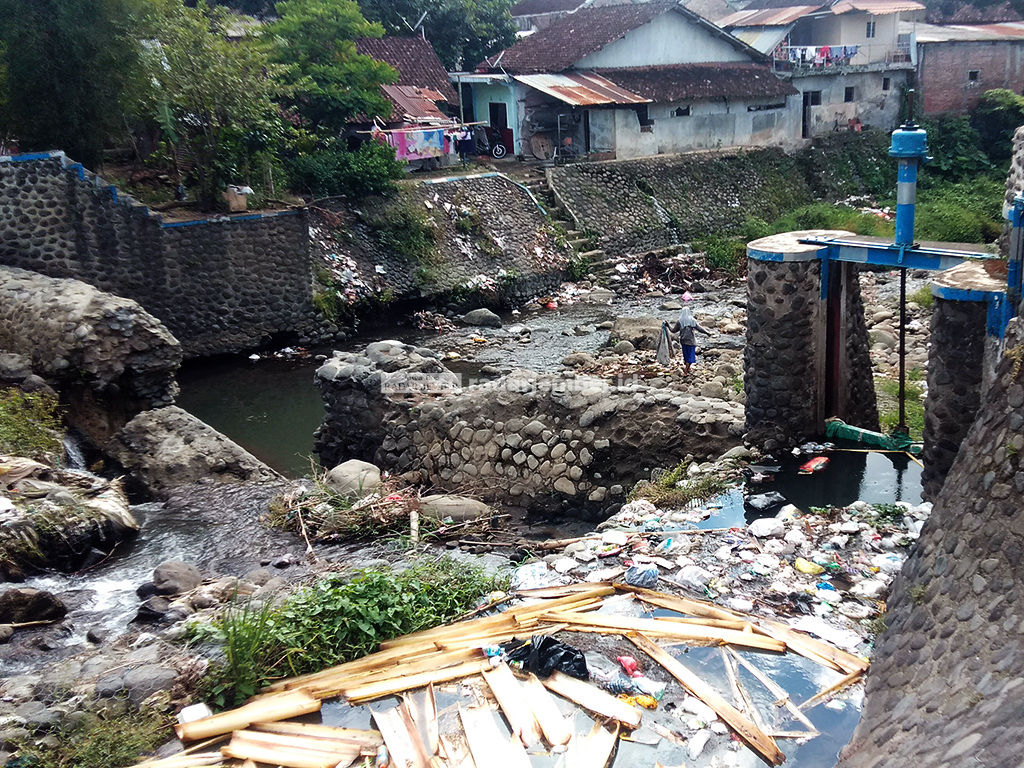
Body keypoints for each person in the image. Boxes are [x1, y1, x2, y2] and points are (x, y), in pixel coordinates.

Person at [668, 307, 710, 375]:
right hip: (691, 341)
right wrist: (707, 332)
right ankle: (685, 372)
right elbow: (700, 329)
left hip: (683, 341)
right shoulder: (692, 320)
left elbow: (673, 330)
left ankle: (688, 368)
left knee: (686, 356)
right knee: (690, 357)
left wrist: (668, 325)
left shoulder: (680, 321)